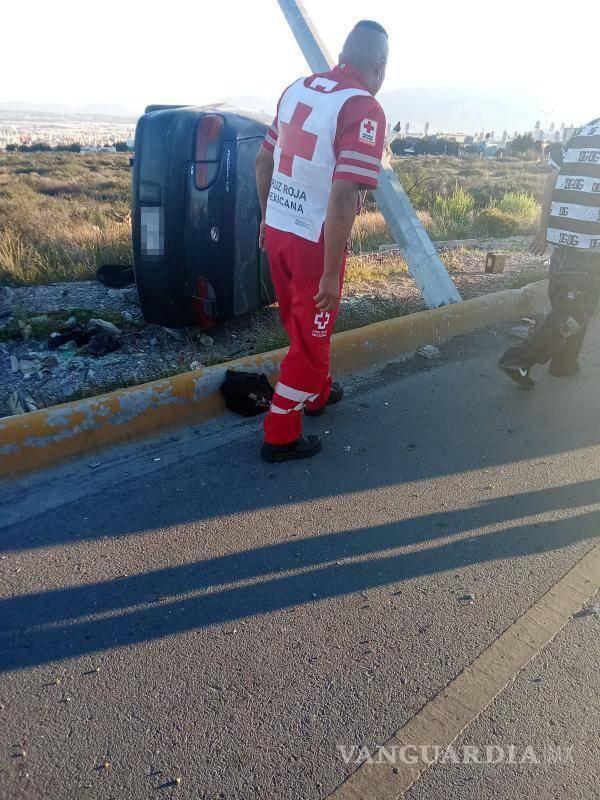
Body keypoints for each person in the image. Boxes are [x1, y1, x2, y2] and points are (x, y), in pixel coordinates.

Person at [255, 20, 388, 462]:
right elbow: (345, 194)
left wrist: (265, 217)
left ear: (342, 55)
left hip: (278, 228)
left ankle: (316, 393)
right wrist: (332, 272)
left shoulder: (297, 89)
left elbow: (262, 160)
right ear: (380, 66)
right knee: (311, 334)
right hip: (314, 240)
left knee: (303, 323)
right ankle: (280, 431)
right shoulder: (363, 107)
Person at [499, 117, 600, 389]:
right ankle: (519, 359)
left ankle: (563, 365)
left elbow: (551, 179)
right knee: (573, 311)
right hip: (589, 245)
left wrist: (544, 231)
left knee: (573, 305)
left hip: (564, 239)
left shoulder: (584, 130)